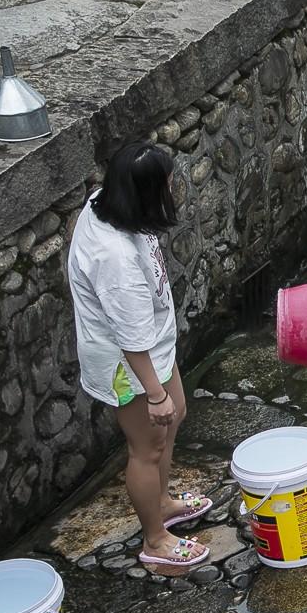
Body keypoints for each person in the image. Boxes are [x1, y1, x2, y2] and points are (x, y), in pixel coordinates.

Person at [66, 142, 214, 570]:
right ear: (145, 194)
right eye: (166, 183)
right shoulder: (116, 261)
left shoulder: (105, 201)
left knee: (177, 414)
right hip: (128, 366)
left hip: (150, 348)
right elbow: (131, 340)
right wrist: (154, 394)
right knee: (148, 444)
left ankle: (163, 501)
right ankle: (155, 540)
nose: (173, 186)